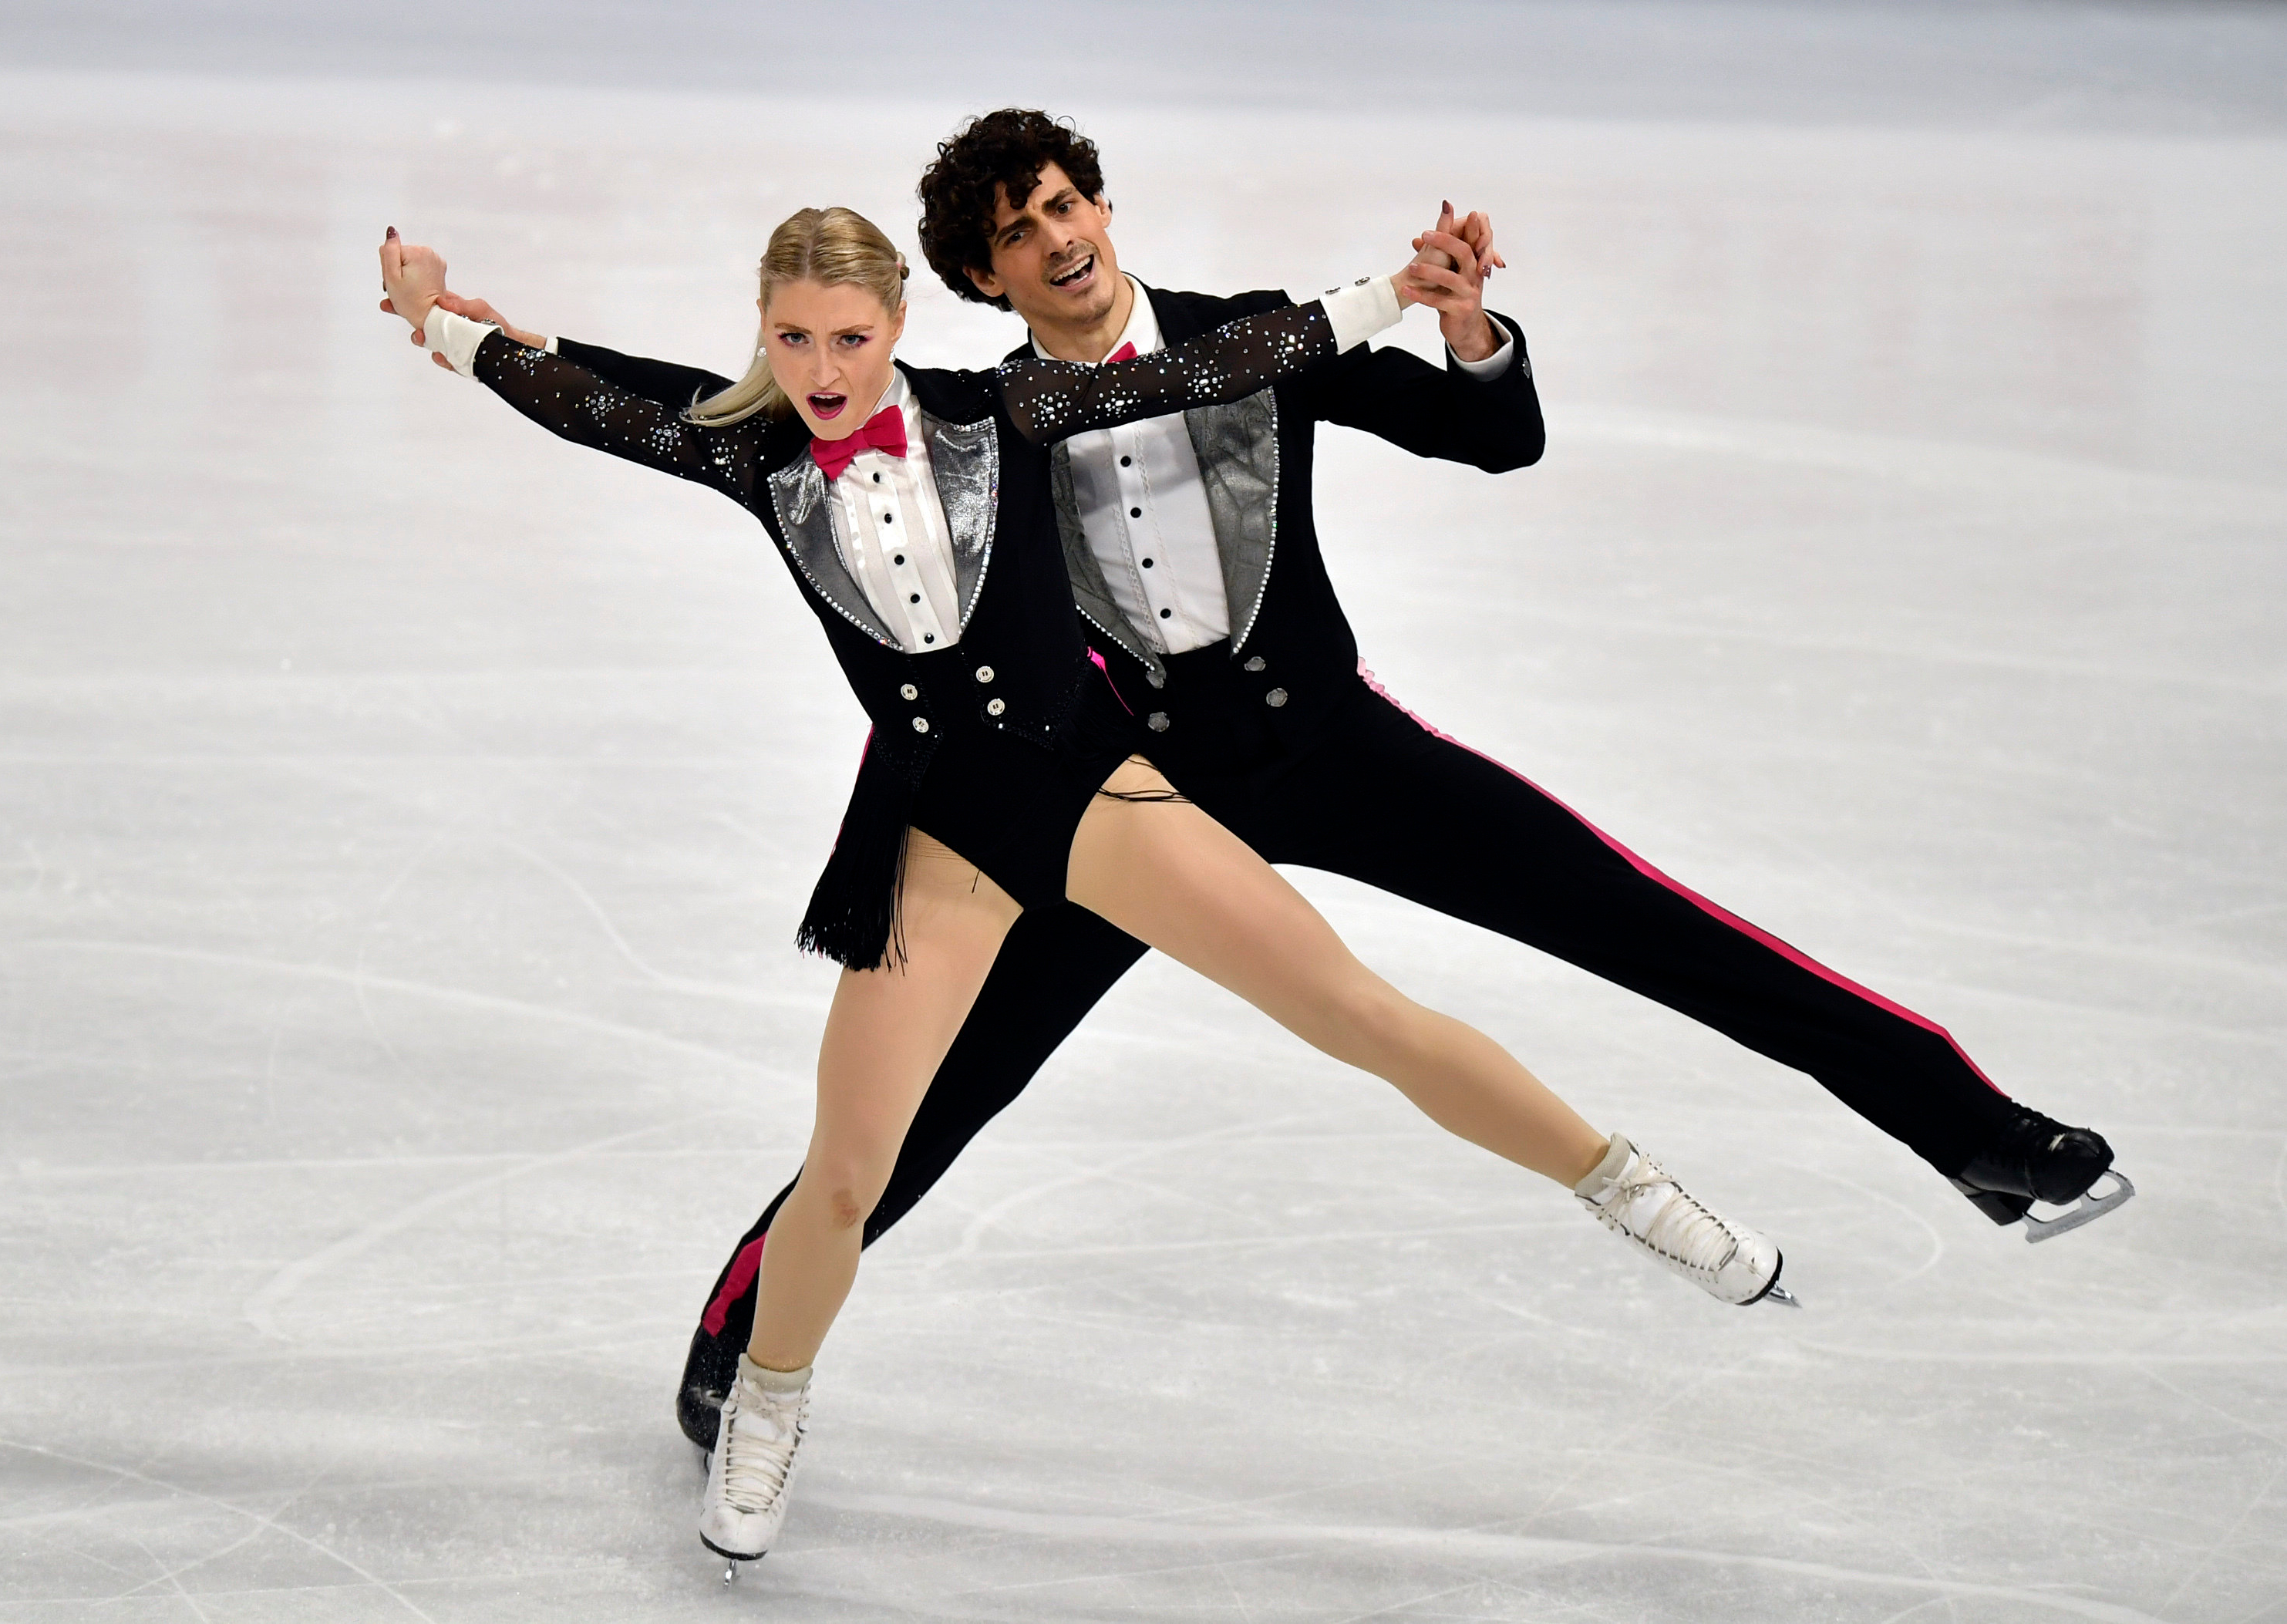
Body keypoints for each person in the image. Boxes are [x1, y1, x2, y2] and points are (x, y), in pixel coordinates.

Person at [449, 110, 2128, 1453]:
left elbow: (1493, 437)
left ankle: (1977, 1134)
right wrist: (494, 339)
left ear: (1103, 205)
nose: (1059, 236)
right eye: (1021, 230)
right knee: (943, 1087)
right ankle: (745, 1331)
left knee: (1643, 921)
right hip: (1121, 794)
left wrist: (1470, 332)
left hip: (1332, 746)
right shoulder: (985, 412)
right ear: (980, 274)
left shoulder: (1246, 342)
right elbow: (708, 411)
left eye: (1068, 204)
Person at [379, 202, 1794, 1576]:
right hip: (945, 838)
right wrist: (441, 321)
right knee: (850, 1169)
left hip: (1098, 798)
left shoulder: (1002, 413)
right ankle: (769, 1397)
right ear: (763, 328)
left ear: (897, 325)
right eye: (794, 338)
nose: (822, 369)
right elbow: (583, 402)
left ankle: (1633, 1192)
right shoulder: (749, 450)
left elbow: (1218, 365)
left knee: (1358, 1012)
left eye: (849, 337)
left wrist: (1394, 296)